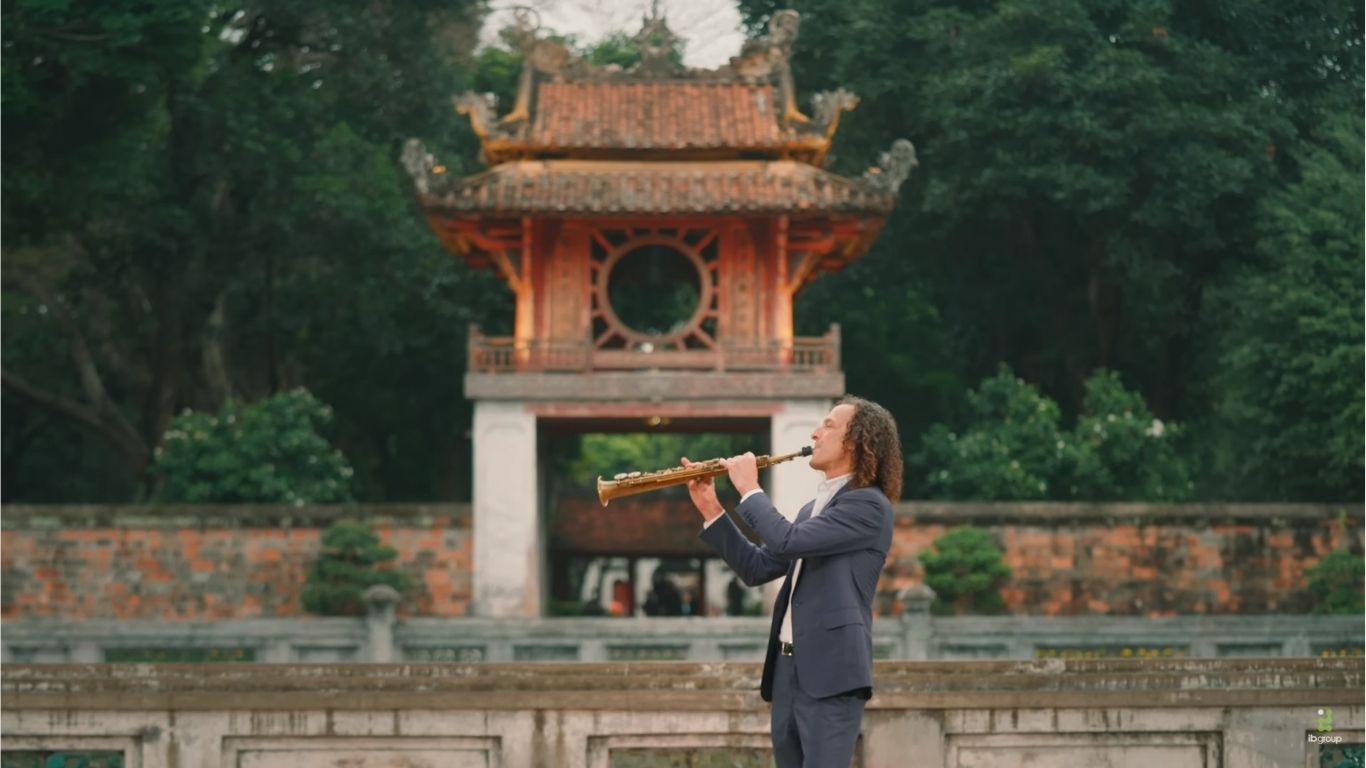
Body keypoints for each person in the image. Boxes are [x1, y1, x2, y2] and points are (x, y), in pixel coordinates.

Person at [683, 396, 901, 768]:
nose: (816, 433)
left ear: (857, 441)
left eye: (829, 425)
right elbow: (757, 567)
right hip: (787, 672)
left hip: (831, 674)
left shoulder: (868, 506)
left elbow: (786, 541)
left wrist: (750, 489)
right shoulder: (811, 509)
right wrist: (711, 509)